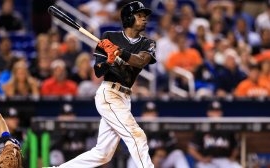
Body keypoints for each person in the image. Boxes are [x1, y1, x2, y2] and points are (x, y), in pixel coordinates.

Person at [53, 1, 156, 167]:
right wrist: (108, 60)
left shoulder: (147, 43)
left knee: (103, 154)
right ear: (129, 18)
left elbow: (141, 61)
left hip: (125, 97)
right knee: (136, 135)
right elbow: (98, 71)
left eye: (145, 16)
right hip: (109, 93)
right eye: (140, 16)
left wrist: (120, 52)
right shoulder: (109, 37)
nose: (144, 19)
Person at [127, 102, 190, 168]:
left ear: (156, 114)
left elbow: (172, 145)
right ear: (143, 115)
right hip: (145, 161)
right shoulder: (137, 129)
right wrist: (152, 156)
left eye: (153, 113)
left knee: (178, 154)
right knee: (133, 158)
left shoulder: (163, 128)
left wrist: (161, 154)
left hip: (161, 161)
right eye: (148, 113)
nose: (151, 116)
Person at [188, 101, 242, 168]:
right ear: (208, 113)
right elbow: (191, 149)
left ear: (221, 113)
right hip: (207, 161)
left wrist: (232, 157)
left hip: (224, 160)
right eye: (213, 111)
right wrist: (202, 159)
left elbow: (236, 146)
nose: (215, 114)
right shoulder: (202, 129)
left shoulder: (228, 128)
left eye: (217, 111)